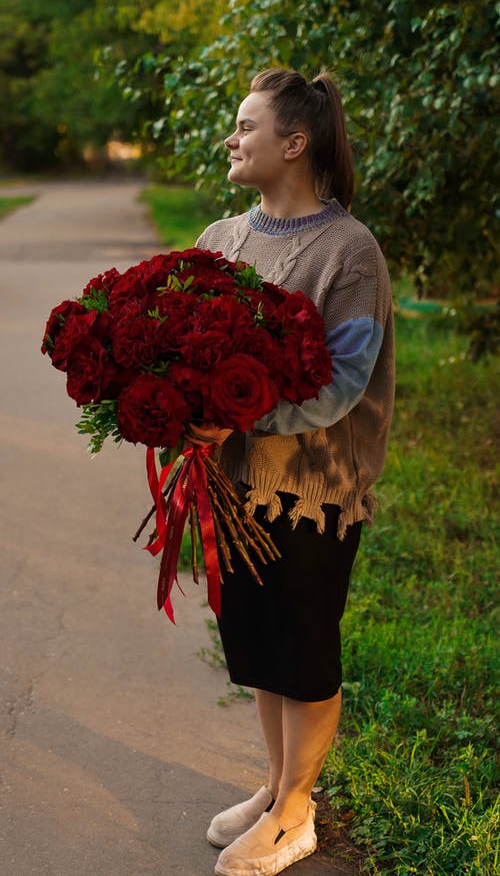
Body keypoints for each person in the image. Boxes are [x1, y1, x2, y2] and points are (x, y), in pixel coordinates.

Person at [186, 67, 395, 876]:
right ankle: (275, 787)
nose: (231, 139)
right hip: (235, 486)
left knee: (302, 651)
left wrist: (235, 414)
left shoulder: (349, 252)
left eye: (245, 126)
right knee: (258, 644)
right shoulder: (217, 239)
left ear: (294, 143)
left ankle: (297, 813)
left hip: (311, 493)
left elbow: (341, 388)